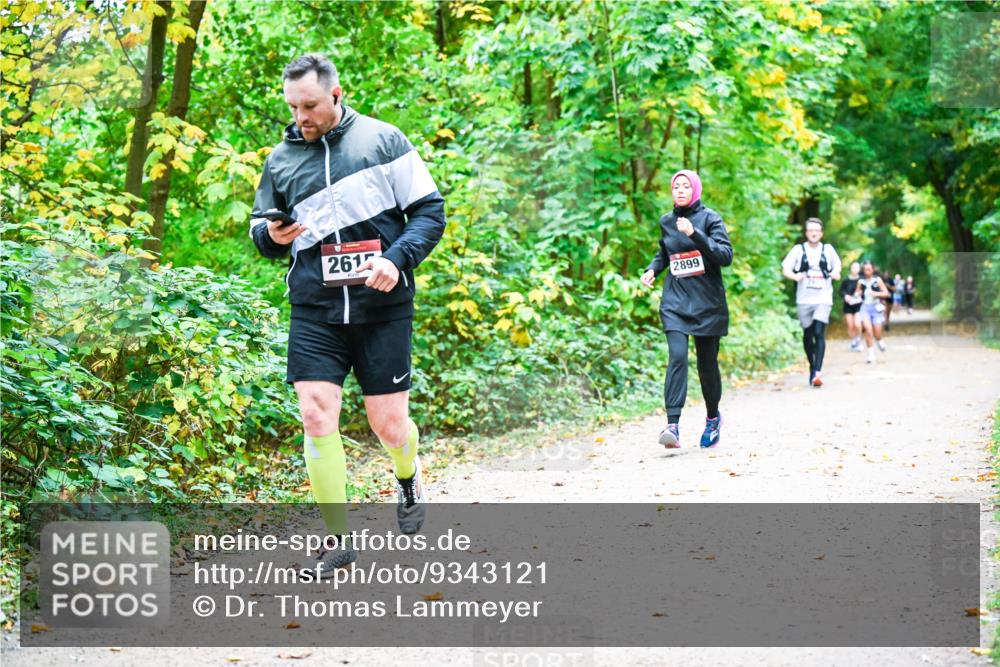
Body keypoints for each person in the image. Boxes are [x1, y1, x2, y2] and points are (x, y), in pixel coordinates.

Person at [249, 54, 446, 574]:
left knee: (389, 424)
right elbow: (259, 232)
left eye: (310, 105)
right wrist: (271, 236)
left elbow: (430, 212)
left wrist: (395, 257)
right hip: (314, 308)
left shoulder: (384, 141)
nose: (301, 118)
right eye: (293, 107)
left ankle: (407, 476)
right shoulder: (281, 161)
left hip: (382, 306)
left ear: (336, 95)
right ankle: (338, 541)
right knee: (315, 414)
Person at [641, 170, 733, 449]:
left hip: (707, 304)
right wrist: (653, 269)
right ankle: (672, 425)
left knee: (707, 366)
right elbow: (665, 253)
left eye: (685, 186)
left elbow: (725, 256)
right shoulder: (667, 222)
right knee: (677, 355)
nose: (680, 190)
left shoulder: (710, 219)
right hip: (676, 301)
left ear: (695, 189)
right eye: (675, 186)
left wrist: (696, 234)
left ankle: (712, 418)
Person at [781, 217, 842, 387]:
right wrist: (795, 276)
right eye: (810, 230)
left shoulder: (828, 250)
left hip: (823, 298)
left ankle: (817, 372)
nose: (814, 233)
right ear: (807, 233)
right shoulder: (798, 250)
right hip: (804, 299)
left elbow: (837, 266)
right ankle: (811, 366)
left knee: (818, 332)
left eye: (817, 230)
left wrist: (835, 273)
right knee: (808, 336)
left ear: (821, 233)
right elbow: (785, 268)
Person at [855, 261, 890, 363]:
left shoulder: (877, 280)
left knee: (877, 333)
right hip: (864, 307)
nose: (867, 271)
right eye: (865, 269)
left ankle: (879, 340)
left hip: (876, 307)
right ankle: (870, 354)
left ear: (873, 269)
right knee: (868, 330)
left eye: (869, 269)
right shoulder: (860, 281)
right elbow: (856, 293)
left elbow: (886, 293)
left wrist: (877, 293)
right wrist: (858, 294)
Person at [839, 261, 863, 351]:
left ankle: (858, 340)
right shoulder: (846, 280)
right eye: (853, 267)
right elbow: (841, 291)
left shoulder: (861, 280)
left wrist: (861, 293)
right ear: (850, 268)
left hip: (858, 305)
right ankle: (853, 340)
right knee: (850, 325)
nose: (855, 269)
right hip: (848, 305)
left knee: (857, 324)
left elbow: (866, 291)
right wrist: (845, 296)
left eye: (857, 267)